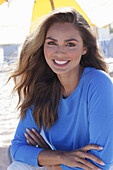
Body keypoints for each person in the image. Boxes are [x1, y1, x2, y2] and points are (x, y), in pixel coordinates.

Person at [7, 7, 113, 170]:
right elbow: (18, 148)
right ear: (43, 47)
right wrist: (60, 156)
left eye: (70, 44)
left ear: (85, 48)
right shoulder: (41, 89)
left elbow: (101, 163)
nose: (59, 52)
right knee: (18, 167)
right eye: (52, 43)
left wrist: (54, 165)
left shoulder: (98, 82)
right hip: (66, 164)